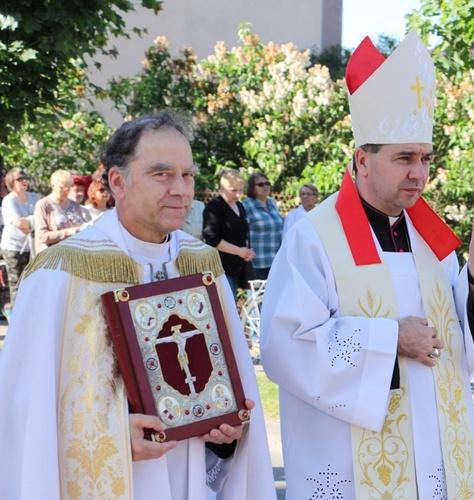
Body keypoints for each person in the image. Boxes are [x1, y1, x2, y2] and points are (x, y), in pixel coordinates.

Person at [260, 31, 474, 498]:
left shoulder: (431, 241)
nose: (419, 173)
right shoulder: (314, 237)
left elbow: (456, 346)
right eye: (404, 159)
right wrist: (391, 338)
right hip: (350, 463)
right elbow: (287, 346)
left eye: (425, 158)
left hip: (432, 455)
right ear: (363, 159)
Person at [0, 112, 276, 498]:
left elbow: (228, 391)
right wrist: (113, 437)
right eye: (162, 174)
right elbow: (22, 416)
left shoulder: (202, 265)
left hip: (192, 478)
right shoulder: (59, 273)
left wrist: (226, 434)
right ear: (118, 182)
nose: (181, 189)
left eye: (188, 175)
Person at [203, 169, 254, 297]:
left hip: (238, 267)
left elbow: (243, 232)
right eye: (233, 190)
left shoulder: (240, 206)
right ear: (222, 188)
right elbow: (211, 238)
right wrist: (239, 251)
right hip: (220, 269)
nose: (237, 195)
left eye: (240, 190)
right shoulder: (214, 207)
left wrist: (247, 251)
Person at [0, 168, 41, 317]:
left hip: (32, 246)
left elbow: (43, 218)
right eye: (20, 179)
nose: (24, 181)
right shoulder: (9, 200)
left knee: (31, 283)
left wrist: (29, 223)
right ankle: (15, 315)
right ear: (11, 182)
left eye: (25, 178)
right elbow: (18, 222)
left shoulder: (35, 197)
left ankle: (29, 316)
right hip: (14, 247)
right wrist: (34, 221)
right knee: (16, 284)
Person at [242, 172, 282, 280]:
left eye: (267, 183)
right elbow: (242, 231)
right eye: (260, 184)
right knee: (258, 296)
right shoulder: (246, 204)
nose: (265, 186)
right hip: (257, 262)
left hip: (276, 261)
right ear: (252, 188)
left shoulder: (272, 203)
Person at [33, 169, 85, 252]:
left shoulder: (75, 204)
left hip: (76, 253)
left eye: (69, 186)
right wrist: (70, 232)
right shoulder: (43, 205)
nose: (66, 190)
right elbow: (42, 236)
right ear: (53, 186)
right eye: (62, 187)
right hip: (55, 255)